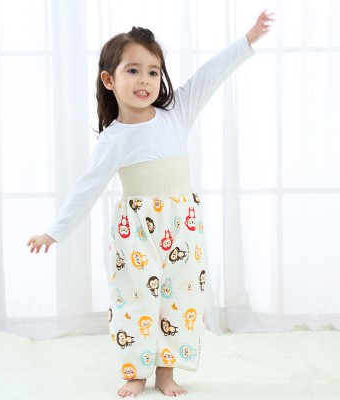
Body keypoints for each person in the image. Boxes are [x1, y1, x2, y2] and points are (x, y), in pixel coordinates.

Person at [27, 10, 274, 398]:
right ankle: (135, 372)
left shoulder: (176, 114)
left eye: (153, 72)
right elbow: (85, 189)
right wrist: (54, 232)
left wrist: (248, 39)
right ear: (109, 80)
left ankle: (165, 373)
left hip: (183, 227)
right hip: (136, 234)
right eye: (133, 70)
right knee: (135, 302)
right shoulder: (113, 139)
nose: (145, 80)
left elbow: (210, 74)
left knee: (180, 299)